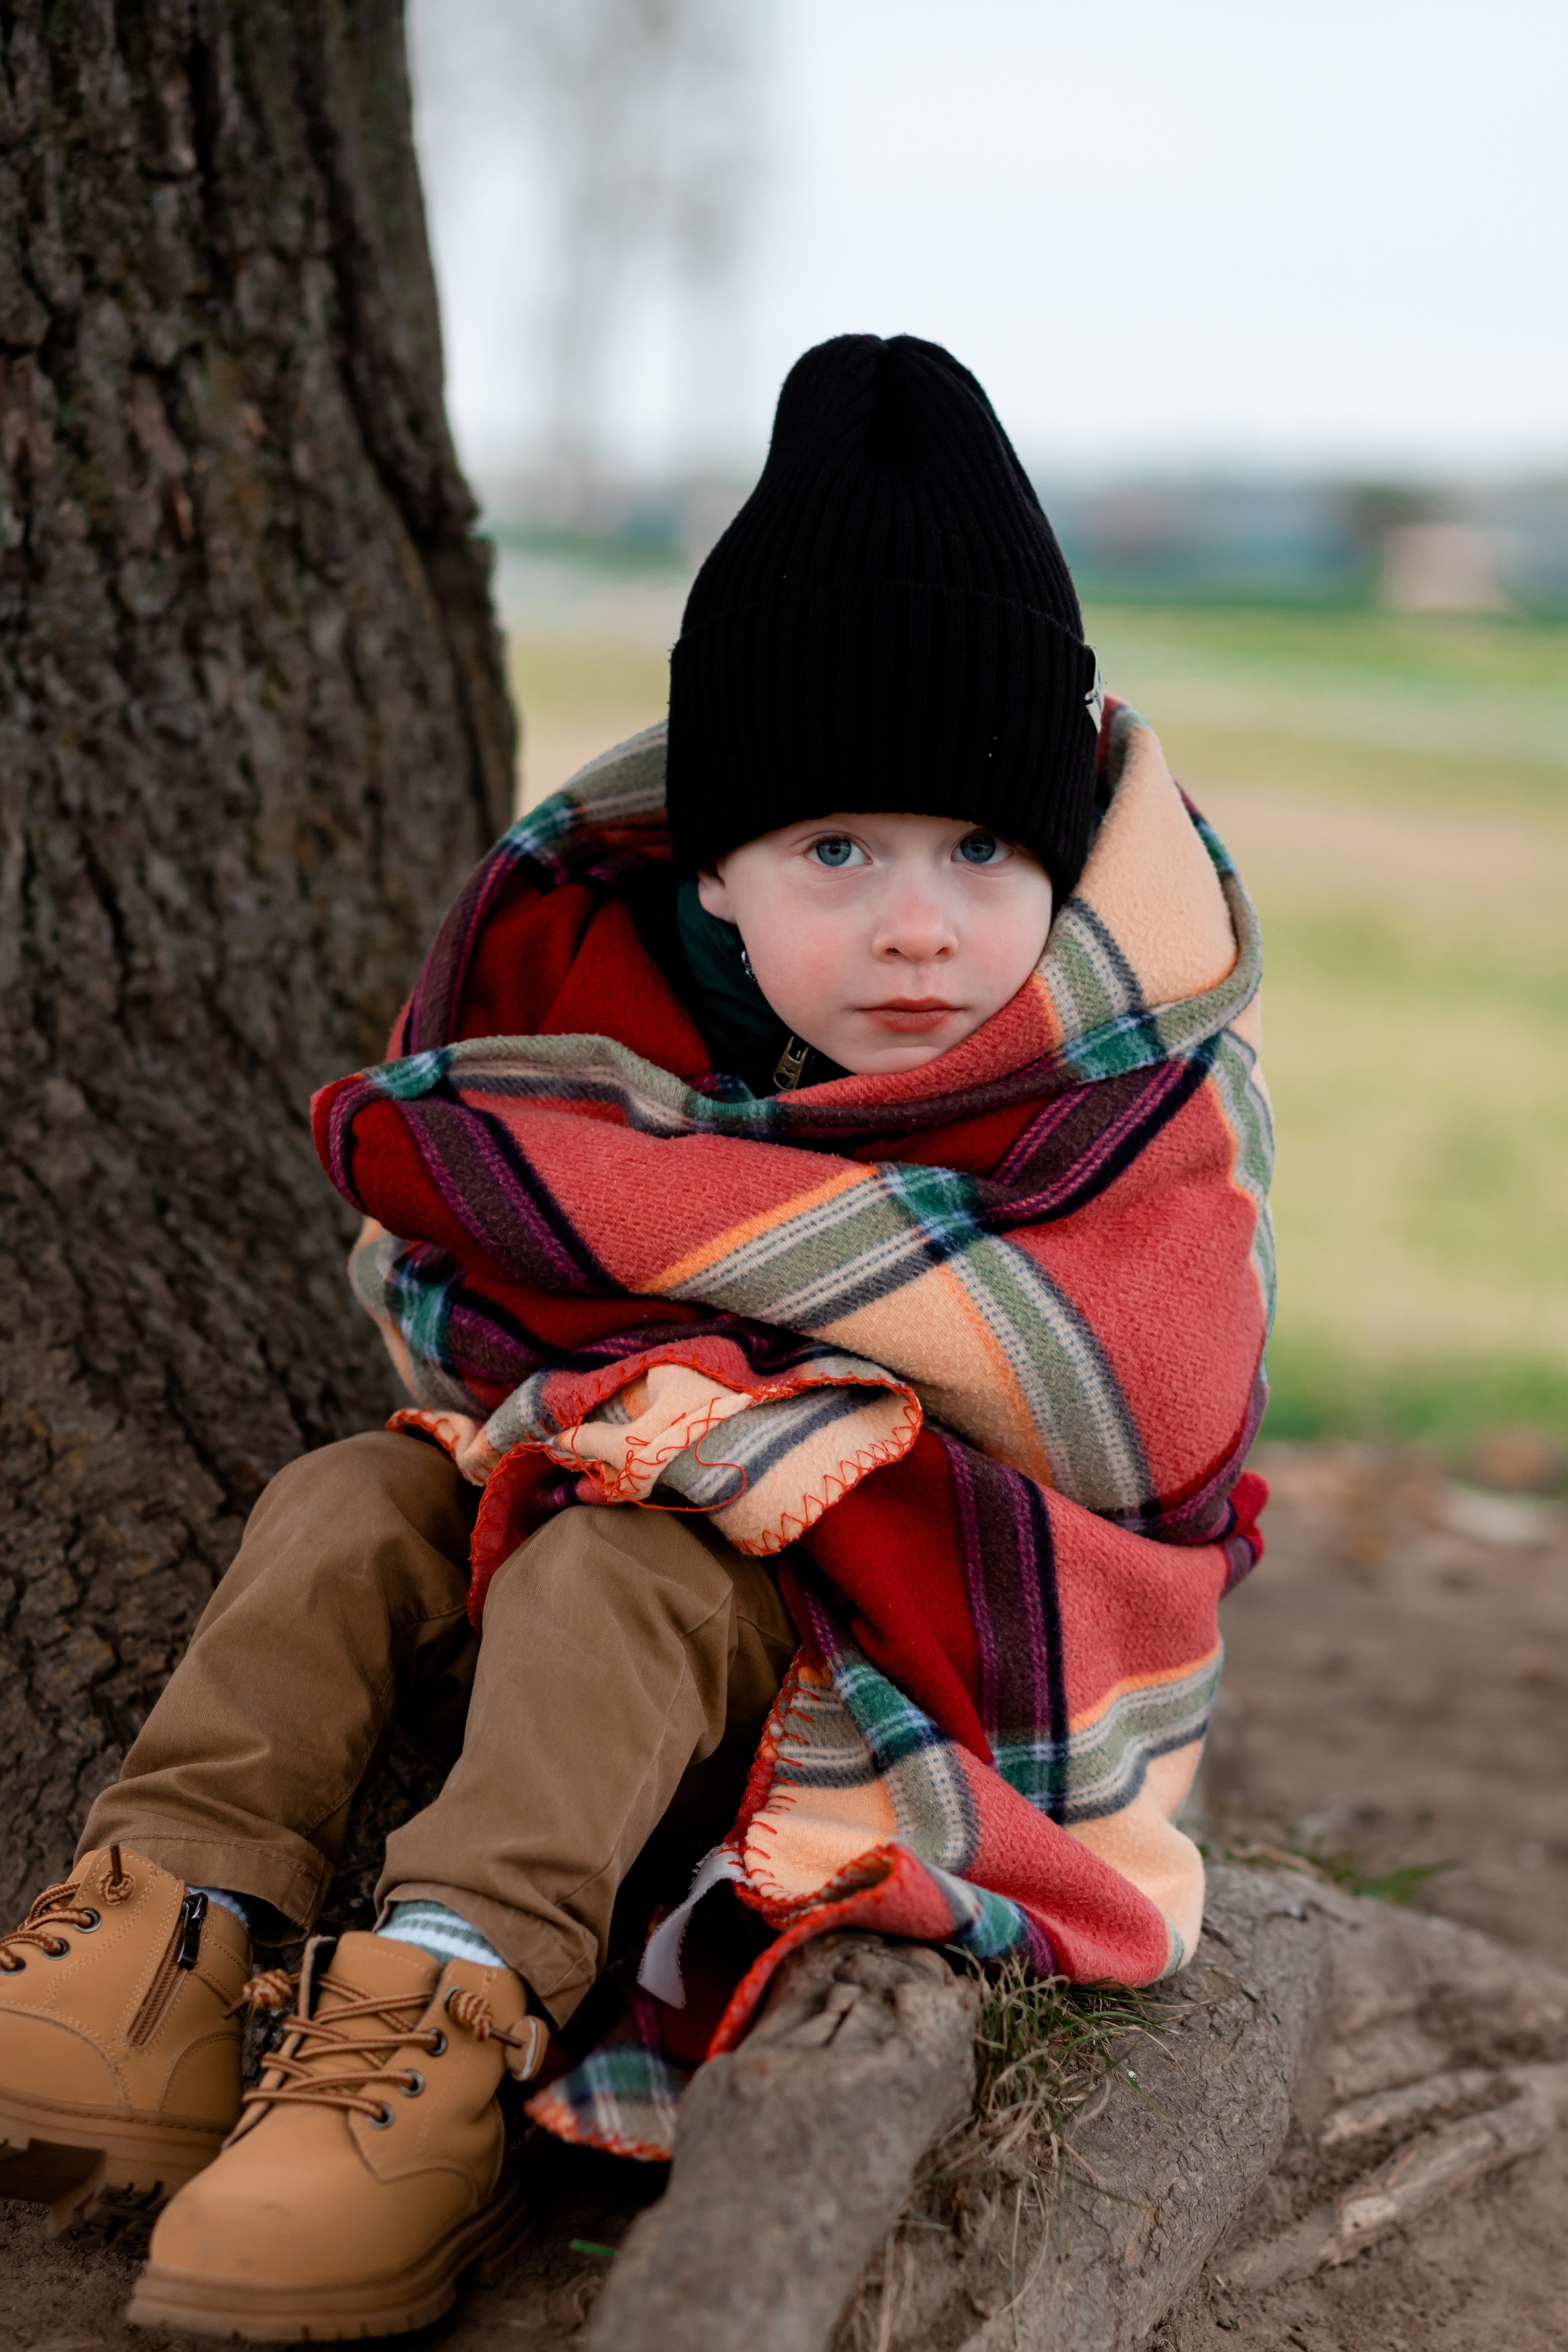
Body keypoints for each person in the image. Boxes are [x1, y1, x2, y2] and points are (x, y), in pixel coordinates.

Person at [0, 336, 1271, 2341]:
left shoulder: (1119, 1098)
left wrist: (715, 1427)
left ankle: (437, 2015)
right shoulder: (613, 1036)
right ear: (723, 876)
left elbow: (1142, 1404)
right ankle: (161, 1933)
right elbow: (495, 1246)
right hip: (603, 1462)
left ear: (1060, 856)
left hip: (914, 1599)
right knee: (347, 1505)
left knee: (618, 1568)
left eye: (982, 851)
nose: (919, 925)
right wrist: (641, 1410)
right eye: (837, 852)